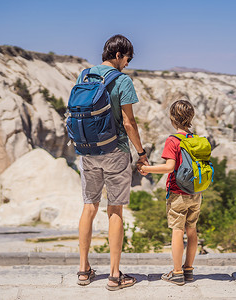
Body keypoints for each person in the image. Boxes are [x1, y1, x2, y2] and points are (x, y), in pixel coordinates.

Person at [76, 34, 148, 291]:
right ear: (118, 55)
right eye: (127, 58)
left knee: (89, 207)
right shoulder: (122, 81)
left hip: (87, 151)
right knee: (114, 210)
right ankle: (115, 275)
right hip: (115, 151)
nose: (127, 63)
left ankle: (84, 270)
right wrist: (141, 152)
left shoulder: (83, 76)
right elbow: (129, 123)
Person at [137, 100, 200, 286]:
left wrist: (147, 170)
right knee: (192, 230)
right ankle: (188, 270)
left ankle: (177, 272)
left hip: (177, 193)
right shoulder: (195, 139)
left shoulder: (173, 140)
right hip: (196, 192)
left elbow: (169, 167)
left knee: (177, 231)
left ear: (172, 119)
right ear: (191, 118)